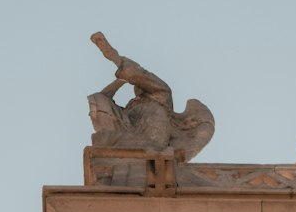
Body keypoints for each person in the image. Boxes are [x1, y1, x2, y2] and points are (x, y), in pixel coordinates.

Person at [87, 31, 215, 160]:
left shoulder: (163, 93)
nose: (138, 86)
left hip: (153, 138)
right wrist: (121, 80)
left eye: (139, 84)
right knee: (99, 100)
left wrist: (115, 57)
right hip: (129, 129)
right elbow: (103, 96)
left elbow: (140, 74)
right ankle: (119, 145)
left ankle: (135, 148)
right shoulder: (133, 104)